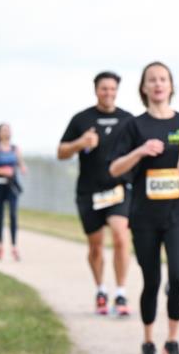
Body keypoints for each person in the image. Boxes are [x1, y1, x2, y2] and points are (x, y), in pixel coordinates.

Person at [109, 62, 179, 354]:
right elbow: (115, 169)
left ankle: (172, 340)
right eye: (151, 80)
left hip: (178, 215)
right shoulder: (134, 126)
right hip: (144, 217)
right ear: (144, 88)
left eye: (163, 79)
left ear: (171, 85)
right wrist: (140, 151)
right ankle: (147, 341)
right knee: (152, 280)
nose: (158, 84)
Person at [58, 71, 136, 316]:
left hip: (118, 190)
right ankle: (101, 289)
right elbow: (61, 152)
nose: (108, 93)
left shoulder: (127, 120)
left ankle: (121, 293)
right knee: (96, 246)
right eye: (104, 89)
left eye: (112, 89)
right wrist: (79, 143)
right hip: (88, 192)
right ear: (96, 90)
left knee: (121, 237)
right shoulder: (81, 119)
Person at [0, 123, 27, 261]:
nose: (6, 131)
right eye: (4, 129)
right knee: (0, 215)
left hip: (11, 186)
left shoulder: (16, 149)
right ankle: (0, 245)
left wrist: (23, 168)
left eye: (8, 129)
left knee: (13, 215)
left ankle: (14, 246)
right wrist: (1, 171)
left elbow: (20, 164)